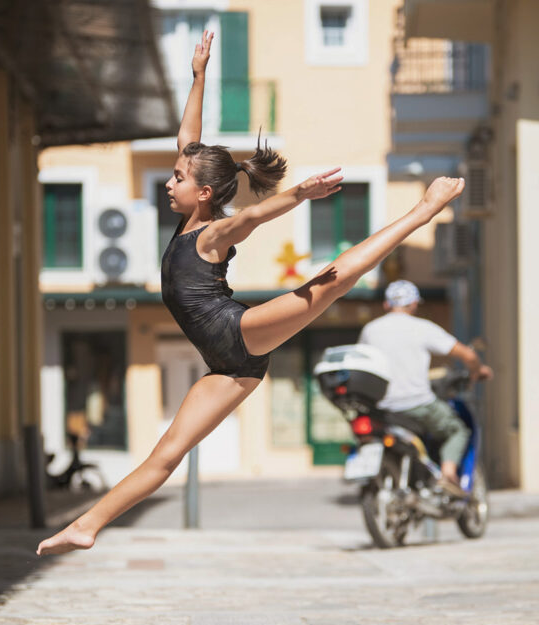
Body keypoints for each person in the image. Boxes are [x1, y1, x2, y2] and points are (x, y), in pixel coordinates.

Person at [36, 31, 466, 555]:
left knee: (330, 281)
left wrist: (300, 194)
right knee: (167, 453)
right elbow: (187, 140)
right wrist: (198, 75)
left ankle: (421, 211)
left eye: (177, 179)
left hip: (237, 333)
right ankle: (87, 526)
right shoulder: (190, 215)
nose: (169, 183)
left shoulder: (213, 232)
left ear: (205, 193)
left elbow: (256, 215)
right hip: (226, 366)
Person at [358, 279, 493, 491]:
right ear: (413, 304)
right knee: (457, 430)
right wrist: (478, 370)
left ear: (386, 304)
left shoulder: (370, 329)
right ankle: (448, 473)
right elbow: (466, 354)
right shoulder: (422, 328)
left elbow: (363, 361)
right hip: (417, 404)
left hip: (382, 408)